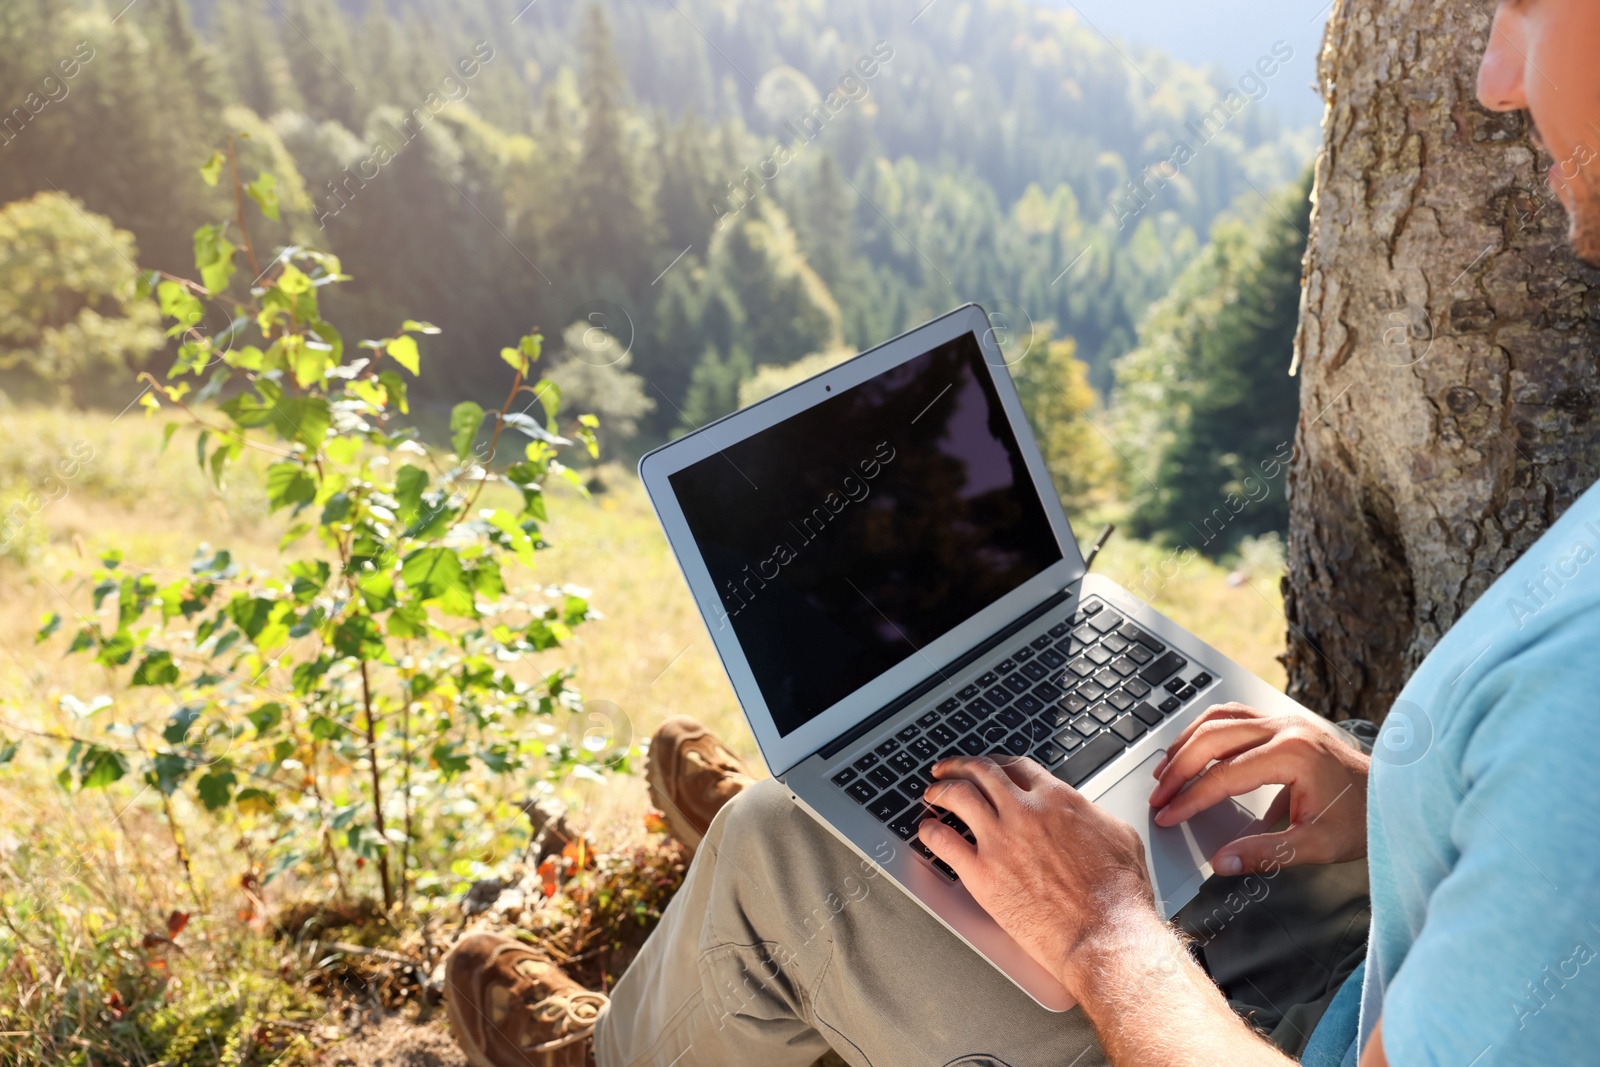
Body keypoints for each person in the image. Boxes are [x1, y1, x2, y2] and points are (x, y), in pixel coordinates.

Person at [441, 1, 1600, 1063]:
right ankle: (867, 828)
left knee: (770, 854)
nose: (1495, 74)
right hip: (1369, 956)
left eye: (1532, 3)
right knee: (933, 783)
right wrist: (1392, 803)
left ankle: (654, 1011)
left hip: (1291, 1026)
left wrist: (1103, 929)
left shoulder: (1575, 702)